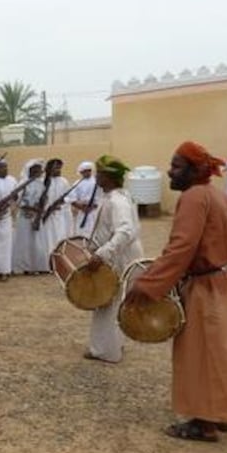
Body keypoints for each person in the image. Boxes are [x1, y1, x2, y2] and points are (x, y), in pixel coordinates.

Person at [123, 141, 227, 442]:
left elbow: (181, 248)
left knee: (202, 353)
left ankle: (203, 423)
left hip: (208, 285)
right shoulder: (221, 196)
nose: (170, 171)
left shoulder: (193, 197)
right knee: (225, 351)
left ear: (193, 171)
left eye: (176, 166)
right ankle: (219, 412)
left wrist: (148, 284)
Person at [84, 155, 144, 363]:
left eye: (98, 173)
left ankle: (106, 351)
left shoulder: (118, 201)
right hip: (116, 254)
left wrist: (103, 253)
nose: (96, 178)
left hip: (119, 256)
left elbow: (125, 231)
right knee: (111, 301)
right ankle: (108, 345)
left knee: (108, 301)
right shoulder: (115, 197)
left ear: (107, 177)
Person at [11, 159, 45, 275]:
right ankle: (21, 267)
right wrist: (30, 208)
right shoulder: (22, 183)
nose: (37, 172)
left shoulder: (41, 184)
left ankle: (33, 267)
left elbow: (43, 200)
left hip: (36, 216)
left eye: (39, 170)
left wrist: (38, 210)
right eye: (34, 170)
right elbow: (18, 200)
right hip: (24, 215)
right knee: (23, 241)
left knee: (36, 242)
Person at [66, 161, 99, 238]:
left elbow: (101, 197)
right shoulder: (77, 183)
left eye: (88, 170)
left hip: (94, 211)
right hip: (82, 212)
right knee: (81, 233)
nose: (86, 173)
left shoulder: (97, 182)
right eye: (84, 171)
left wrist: (92, 207)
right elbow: (71, 198)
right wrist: (81, 207)